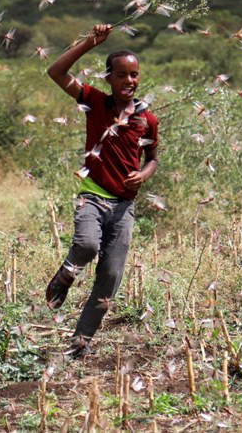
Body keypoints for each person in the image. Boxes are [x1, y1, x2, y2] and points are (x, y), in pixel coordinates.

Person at [44, 23, 159, 358]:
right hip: (93, 196)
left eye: (134, 75)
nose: (129, 81)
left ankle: (81, 342)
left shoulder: (147, 119)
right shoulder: (95, 102)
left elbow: (153, 158)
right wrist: (89, 42)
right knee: (86, 244)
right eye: (121, 75)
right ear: (109, 78)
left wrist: (143, 175)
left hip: (124, 206)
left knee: (110, 276)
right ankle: (65, 275)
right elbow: (55, 72)